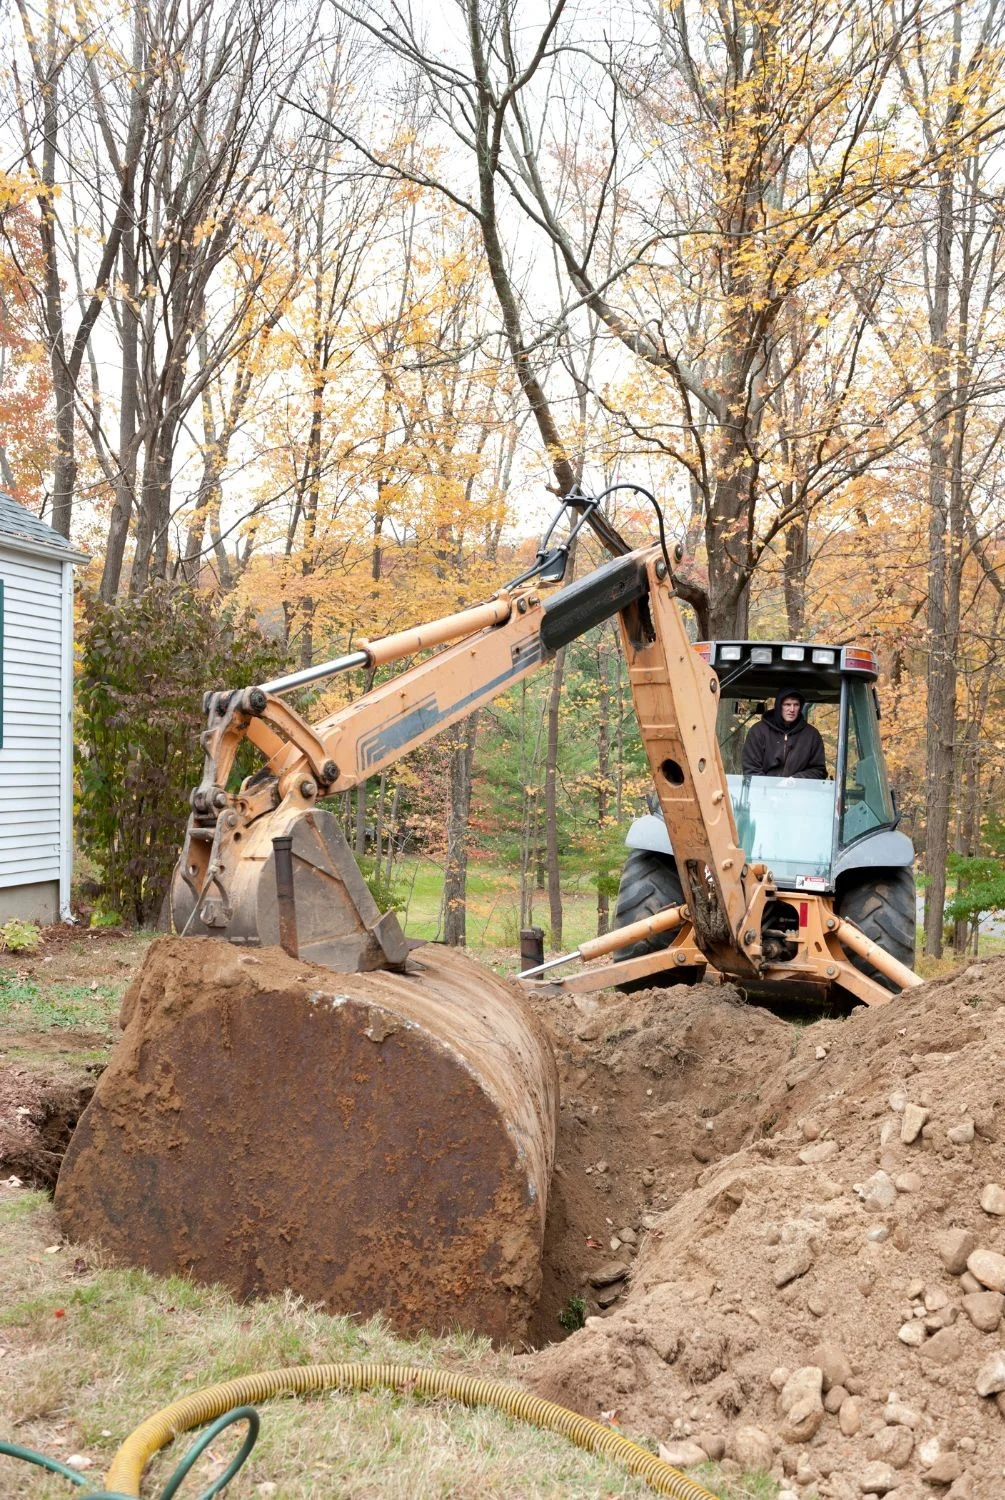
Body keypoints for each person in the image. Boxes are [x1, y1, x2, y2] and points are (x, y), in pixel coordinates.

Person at [741, 687, 827, 780]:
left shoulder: (812, 735)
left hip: (800, 792)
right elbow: (750, 769)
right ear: (779, 706)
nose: (792, 709)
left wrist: (795, 780)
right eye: (787, 704)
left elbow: (819, 771)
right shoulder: (758, 731)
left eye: (796, 705)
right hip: (763, 791)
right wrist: (770, 788)